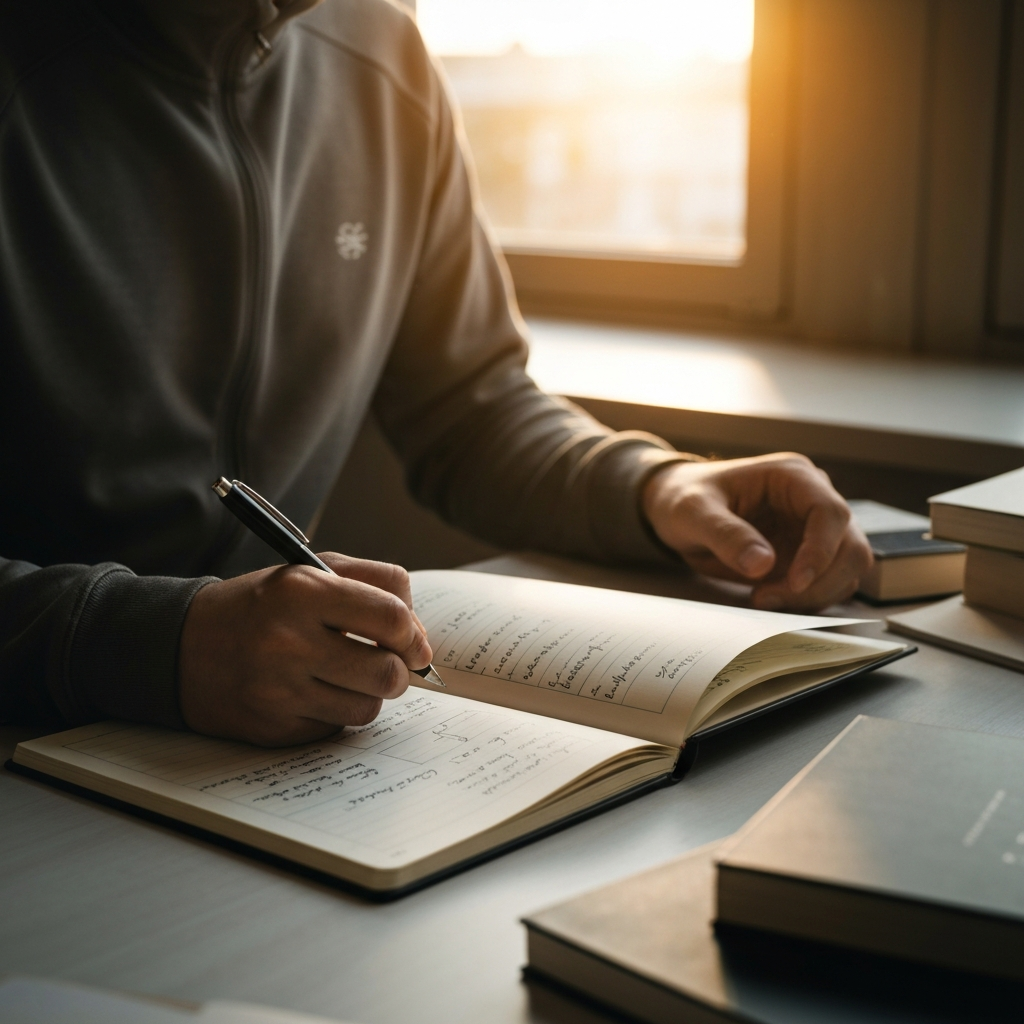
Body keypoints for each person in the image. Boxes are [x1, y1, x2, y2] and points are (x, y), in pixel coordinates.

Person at [0, 0, 871, 746]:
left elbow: (473, 411)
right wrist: (156, 645)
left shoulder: (380, 51)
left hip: (266, 755)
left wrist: (656, 487)